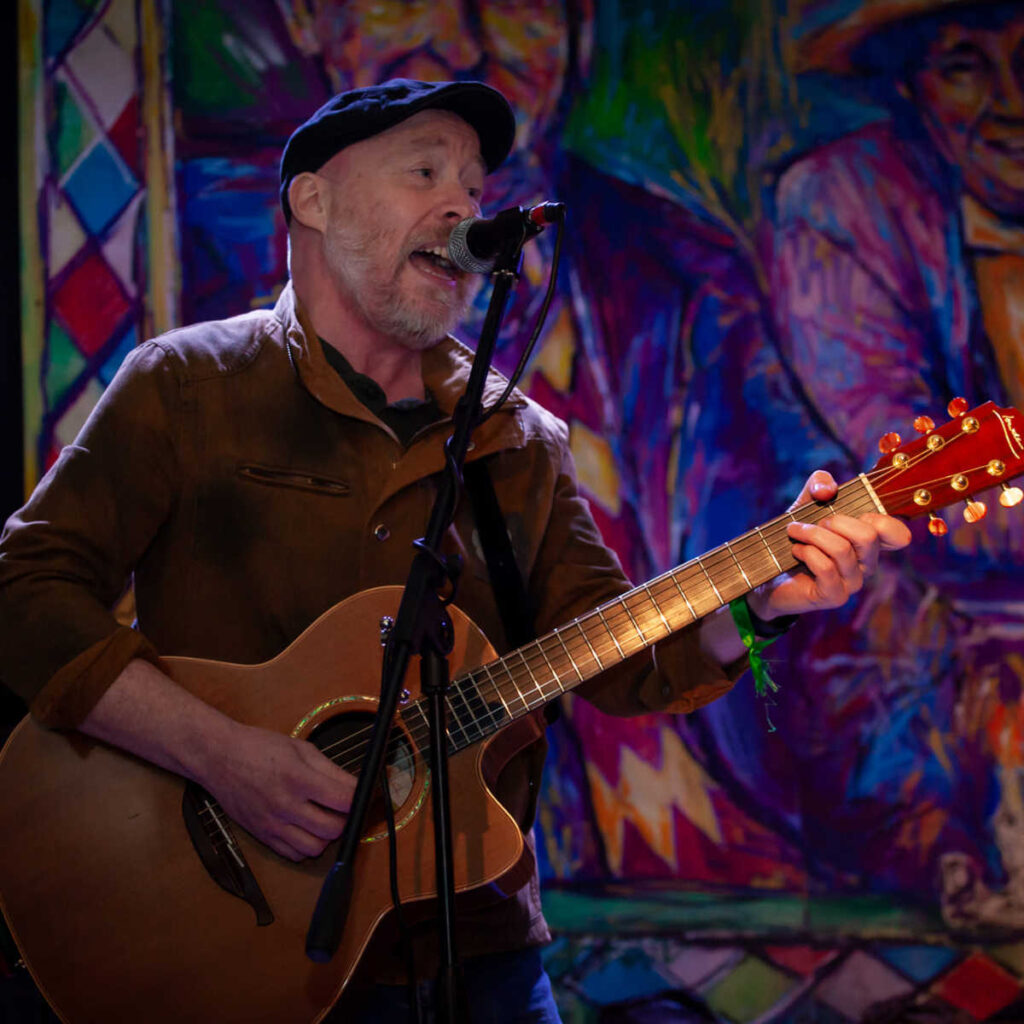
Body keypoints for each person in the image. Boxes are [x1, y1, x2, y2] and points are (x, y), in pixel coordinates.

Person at [0, 78, 911, 1021]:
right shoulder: (187, 386)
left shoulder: (520, 440)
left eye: (475, 188)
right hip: (226, 944)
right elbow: (24, 593)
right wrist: (226, 757)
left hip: (478, 950)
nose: (463, 207)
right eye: (424, 171)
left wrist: (755, 605)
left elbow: (622, 656)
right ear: (311, 200)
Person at [724, 0, 1024, 922]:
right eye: (968, 66)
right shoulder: (838, 203)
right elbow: (892, 448)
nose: (1014, 102)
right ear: (910, 83)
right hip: (923, 604)